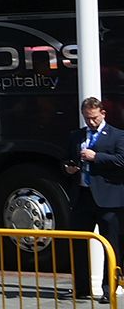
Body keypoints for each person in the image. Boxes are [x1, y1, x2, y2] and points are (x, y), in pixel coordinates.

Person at [68, 97, 124, 299]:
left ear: (103, 114)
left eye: (94, 118)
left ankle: (109, 289)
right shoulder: (76, 136)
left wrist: (96, 157)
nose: (91, 122)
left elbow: (121, 160)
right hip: (83, 195)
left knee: (111, 244)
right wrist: (69, 168)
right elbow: (67, 159)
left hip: (109, 198)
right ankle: (81, 289)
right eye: (87, 118)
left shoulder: (117, 135)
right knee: (78, 242)